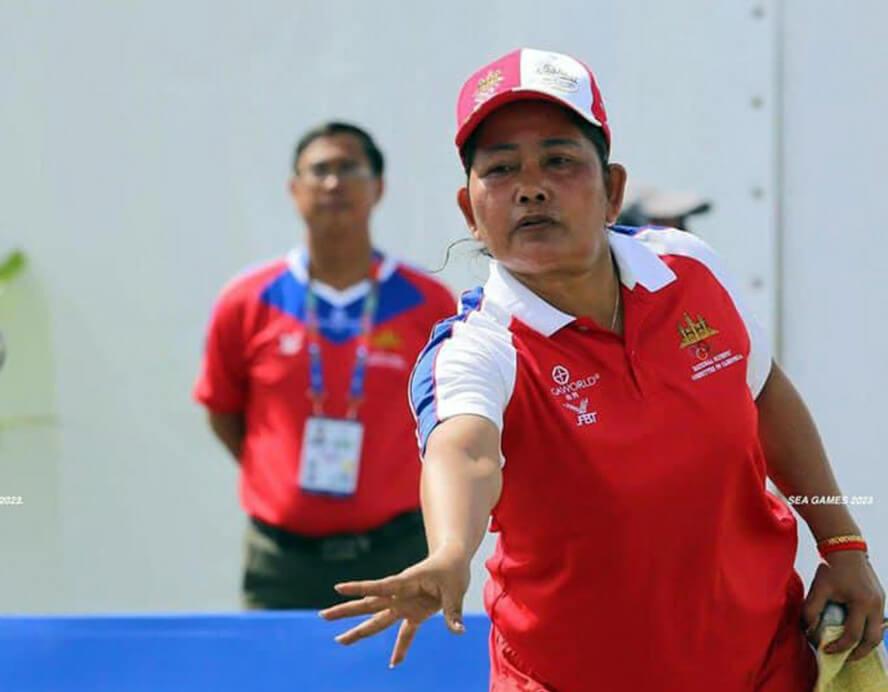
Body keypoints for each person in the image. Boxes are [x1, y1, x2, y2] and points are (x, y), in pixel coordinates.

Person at [319, 50, 886, 690]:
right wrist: (451, 550)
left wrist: (842, 544)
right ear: (470, 211)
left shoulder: (689, 268)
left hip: (763, 668)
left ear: (613, 190)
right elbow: (466, 452)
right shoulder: (476, 346)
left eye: (559, 161)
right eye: (501, 169)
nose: (531, 187)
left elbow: (765, 395)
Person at [194, 122, 455, 609]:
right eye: (319, 170)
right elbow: (223, 408)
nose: (334, 183)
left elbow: (451, 420)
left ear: (379, 188)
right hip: (281, 558)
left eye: (349, 169)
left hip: (397, 550)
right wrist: (277, 478)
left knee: (400, 662)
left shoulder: (427, 303)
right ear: (294, 190)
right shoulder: (248, 300)